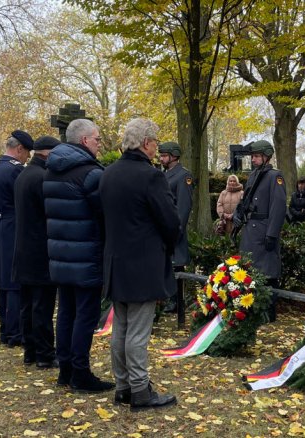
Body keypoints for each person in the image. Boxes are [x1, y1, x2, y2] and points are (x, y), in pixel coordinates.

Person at [100, 117, 179, 411]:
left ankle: (123, 386)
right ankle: (140, 390)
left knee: (120, 326)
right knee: (137, 331)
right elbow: (169, 221)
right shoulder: (150, 176)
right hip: (143, 263)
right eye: (156, 143)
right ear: (146, 143)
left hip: (116, 260)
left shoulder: (108, 174)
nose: (157, 148)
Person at [44, 118, 113, 393]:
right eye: (97, 139)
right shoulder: (90, 173)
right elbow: (104, 213)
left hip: (60, 255)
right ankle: (81, 373)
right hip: (86, 255)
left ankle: (66, 370)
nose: (99, 144)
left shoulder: (52, 170)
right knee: (85, 315)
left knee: (66, 313)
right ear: (84, 140)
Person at [14, 135, 61, 369]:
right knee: (42, 305)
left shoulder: (25, 174)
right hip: (40, 249)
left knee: (27, 305)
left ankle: (30, 351)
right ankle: (44, 354)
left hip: (24, 249)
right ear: (48, 153)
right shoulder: (42, 177)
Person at [0, 131, 33, 348]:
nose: (27, 157)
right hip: (14, 225)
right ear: (19, 149)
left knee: (4, 282)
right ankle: (16, 332)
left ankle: (5, 329)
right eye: (27, 153)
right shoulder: (15, 170)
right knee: (15, 282)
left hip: (0, 225)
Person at [235, 140, 286, 321]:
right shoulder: (254, 175)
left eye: (256, 156)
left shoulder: (274, 176)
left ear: (266, 156)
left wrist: (272, 233)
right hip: (251, 230)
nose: (253, 160)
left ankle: (268, 312)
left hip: (264, 231)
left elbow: (278, 207)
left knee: (268, 271)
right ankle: (252, 309)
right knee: (251, 270)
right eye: (253, 156)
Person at [158, 141, 193, 313]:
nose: (161, 158)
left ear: (174, 156)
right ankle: (169, 299)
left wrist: (177, 230)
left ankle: (177, 301)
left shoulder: (183, 175)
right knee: (166, 266)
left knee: (176, 266)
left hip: (174, 228)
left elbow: (184, 207)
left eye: (164, 155)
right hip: (163, 227)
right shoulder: (163, 174)